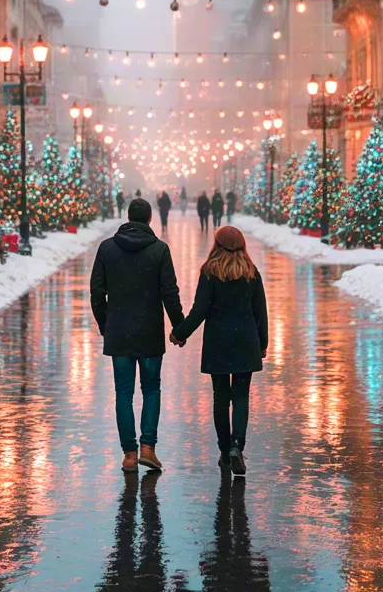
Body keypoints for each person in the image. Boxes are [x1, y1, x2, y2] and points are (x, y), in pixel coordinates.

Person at [90, 198, 184, 473]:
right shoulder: (159, 250)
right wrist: (178, 328)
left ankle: (129, 454)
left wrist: (105, 323)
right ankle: (148, 448)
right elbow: (170, 293)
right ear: (150, 220)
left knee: (123, 393)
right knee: (151, 388)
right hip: (150, 332)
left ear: (128, 217)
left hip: (119, 333)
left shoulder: (107, 248)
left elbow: (97, 291)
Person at [170, 226, 267, 476]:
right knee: (242, 397)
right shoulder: (251, 272)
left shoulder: (210, 272)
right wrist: (262, 343)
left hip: (218, 342)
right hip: (246, 341)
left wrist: (180, 333)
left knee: (221, 397)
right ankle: (237, 445)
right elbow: (260, 312)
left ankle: (224, 451)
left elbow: (200, 310)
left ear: (217, 245)